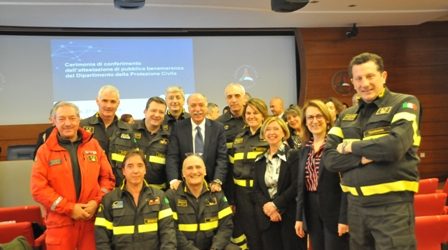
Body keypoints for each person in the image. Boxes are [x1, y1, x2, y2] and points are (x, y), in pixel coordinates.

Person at [323, 52, 421, 249]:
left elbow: (394, 147)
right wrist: (361, 159)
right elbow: (330, 159)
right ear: (352, 81)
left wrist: (350, 146)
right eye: (358, 78)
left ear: (383, 76)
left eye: (370, 76)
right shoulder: (346, 115)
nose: (364, 83)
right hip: (356, 207)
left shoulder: (404, 103)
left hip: (392, 207)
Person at [31, 101, 115, 249]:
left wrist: (96, 202)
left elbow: (107, 179)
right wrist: (69, 208)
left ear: (78, 119)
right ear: (53, 121)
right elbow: (38, 189)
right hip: (60, 226)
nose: (68, 123)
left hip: (91, 222)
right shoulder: (45, 151)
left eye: (72, 118)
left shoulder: (93, 145)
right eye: (62, 119)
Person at [294, 99, 349, 250]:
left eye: (319, 116)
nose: (315, 121)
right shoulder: (305, 149)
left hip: (335, 211)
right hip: (311, 211)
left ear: (327, 118)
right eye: (310, 117)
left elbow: (347, 183)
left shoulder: (337, 146)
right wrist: (299, 218)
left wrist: (345, 218)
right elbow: (301, 187)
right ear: (305, 122)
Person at [95, 150, 176, 249]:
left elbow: (168, 236)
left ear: (145, 169)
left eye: (140, 165)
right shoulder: (109, 200)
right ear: (123, 171)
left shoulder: (160, 197)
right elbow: (102, 240)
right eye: (130, 166)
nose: (135, 170)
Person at [253, 116, 305, 250]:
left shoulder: (293, 155)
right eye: (268, 129)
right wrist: (268, 208)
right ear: (264, 134)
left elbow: (296, 186)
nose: (272, 132)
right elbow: (256, 190)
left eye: (276, 128)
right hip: (267, 218)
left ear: (284, 132)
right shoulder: (259, 160)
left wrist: (276, 205)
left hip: (289, 216)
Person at [165, 154, 236, 250]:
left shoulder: (217, 193)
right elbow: (172, 230)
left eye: (198, 167)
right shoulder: (172, 196)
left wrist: (215, 248)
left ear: (205, 171)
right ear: (183, 174)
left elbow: (226, 226)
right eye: (189, 168)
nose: (194, 171)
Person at [229, 98, 269, 250]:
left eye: (255, 113)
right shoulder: (239, 138)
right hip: (241, 194)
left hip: (261, 192)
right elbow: (232, 166)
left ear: (263, 115)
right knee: (250, 232)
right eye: (248, 113)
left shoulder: (269, 135)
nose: (251, 116)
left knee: (264, 231)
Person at [166, 93, 228, 193]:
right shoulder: (178, 127)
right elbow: (172, 156)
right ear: (188, 108)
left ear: (206, 107)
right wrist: (173, 180)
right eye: (193, 105)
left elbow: (222, 157)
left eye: (201, 105)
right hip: (184, 186)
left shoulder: (217, 128)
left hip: (212, 185)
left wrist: (217, 180)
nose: (197, 109)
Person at [80, 85, 136, 186]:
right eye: (104, 101)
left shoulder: (128, 130)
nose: (108, 105)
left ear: (118, 103)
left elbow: (133, 161)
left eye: (113, 101)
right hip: (91, 188)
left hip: (119, 189)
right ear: (97, 101)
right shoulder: (82, 127)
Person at [216, 83, 248, 248]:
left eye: (237, 96)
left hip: (256, 185)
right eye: (229, 96)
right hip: (231, 185)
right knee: (236, 227)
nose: (234, 100)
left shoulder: (254, 117)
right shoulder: (218, 124)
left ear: (245, 97)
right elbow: (220, 160)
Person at [133, 97, 171, 190]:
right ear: (145, 111)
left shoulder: (170, 137)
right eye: (153, 110)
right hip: (132, 189)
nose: (157, 115)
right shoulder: (130, 132)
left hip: (159, 191)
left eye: (161, 112)